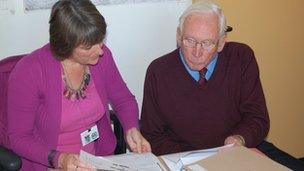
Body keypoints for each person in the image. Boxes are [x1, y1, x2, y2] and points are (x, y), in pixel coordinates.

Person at [140, 0, 304, 170]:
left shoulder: (241, 58)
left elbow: (257, 118)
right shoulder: (159, 71)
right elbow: (153, 135)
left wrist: (239, 139)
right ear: (178, 36)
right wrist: (197, 160)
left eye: (207, 43)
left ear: (221, 42)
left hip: (240, 150)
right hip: (184, 159)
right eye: (190, 40)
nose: (197, 52)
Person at [7, 0, 150, 170]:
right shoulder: (30, 71)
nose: (100, 50)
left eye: (100, 40)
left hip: (96, 161)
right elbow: (18, 138)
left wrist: (131, 128)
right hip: (48, 165)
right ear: (65, 45)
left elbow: (123, 99)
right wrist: (60, 160)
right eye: (88, 46)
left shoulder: (102, 58)